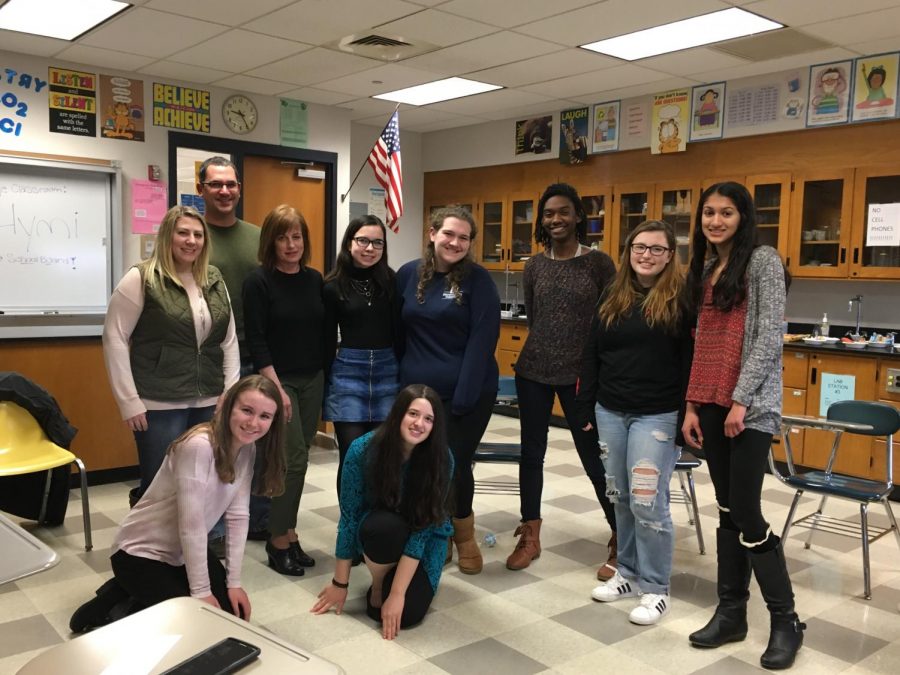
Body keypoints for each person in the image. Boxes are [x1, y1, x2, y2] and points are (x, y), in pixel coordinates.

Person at [681, 182, 804, 669]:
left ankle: (786, 619)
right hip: (709, 402)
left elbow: (771, 334)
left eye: (726, 213)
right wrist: (692, 404)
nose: (715, 221)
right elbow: (702, 341)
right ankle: (731, 613)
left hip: (748, 406)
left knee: (749, 512)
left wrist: (740, 401)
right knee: (728, 509)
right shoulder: (709, 266)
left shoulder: (763, 261)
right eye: (708, 213)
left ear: (743, 216)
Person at [69, 375, 285, 633]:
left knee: (229, 616)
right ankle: (119, 598)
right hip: (140, 553)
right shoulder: (198, 446)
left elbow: (238, 517)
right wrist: (201, 593)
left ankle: (137, 592)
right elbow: (191, 526)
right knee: (197, 624)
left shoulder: (247, 449)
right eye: (246, 410)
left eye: (265, 416)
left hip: (182, 551)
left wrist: (234, 583)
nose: (253, 423)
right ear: (228, 407)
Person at [576, 220, 693, 626]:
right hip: (610, 409)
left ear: (669, 255)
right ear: (628, 251)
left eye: (657, 249)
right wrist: (585, 403)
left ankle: (656, 589)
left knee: (648, 500)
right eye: (639, 247)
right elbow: (592, 351)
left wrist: (684, 417)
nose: (646, 255)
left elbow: (688, 363)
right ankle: (626, 572)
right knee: (620, 495)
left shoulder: (681, 298)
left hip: (656, 414)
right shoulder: (613, 294)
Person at [507, 183, 617, 575]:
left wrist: (596, 372)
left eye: (563, 212)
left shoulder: (599, 264)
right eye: (549, 213)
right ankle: (530, 534)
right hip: (533, 370)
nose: (556, 219)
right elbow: (536, 319)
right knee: (530, 453)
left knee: (593, 457)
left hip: (579, 376)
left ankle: (620, 535)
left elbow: (611, 321)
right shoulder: (534, 265)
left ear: (577, 217)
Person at [102, 205, 239, 505]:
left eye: (198, 235)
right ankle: (150, 549)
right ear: (168, 236)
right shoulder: (141, 278)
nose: (191, 240)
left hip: (209, 399)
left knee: (204, 478)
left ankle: (198, 546)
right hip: (159, 400)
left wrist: (229, 392)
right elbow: (115, 338)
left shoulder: (214, 279)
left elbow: (228, 341)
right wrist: (128, 401)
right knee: (159, 484)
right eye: (183, 233)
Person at [396, 206, 500, 575]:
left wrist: (464, 399)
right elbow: (399, 333)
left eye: (464, 237)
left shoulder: (478, 280)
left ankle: (464, 535)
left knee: (453, 465)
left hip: (465, 394)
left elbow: (482, 341)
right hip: (417, 395)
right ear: (432, 233)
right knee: (419, 465)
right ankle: (435, 535)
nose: (455, 242)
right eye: (449, 234)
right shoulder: (408, 275)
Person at [310, 385, 453, 640]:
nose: (419, 423)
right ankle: (379, 583)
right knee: (383, 528)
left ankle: (391, 584)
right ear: (398, 414)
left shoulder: (442, 460)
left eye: (428, 419)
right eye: (413, 414)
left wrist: (397, 594)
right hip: (381, 529)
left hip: (426, 539)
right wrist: (339, 583)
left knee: (406, 615)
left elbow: (423, 531)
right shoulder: (363, 450)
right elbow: (349, 519)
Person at [243, 205, 324, 576]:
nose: (291, 244)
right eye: (282, 236)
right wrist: (278, 389)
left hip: (313, 378)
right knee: (289, 460)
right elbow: (257, 341)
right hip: (280, 381)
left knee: (301, 456)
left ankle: (290, 532)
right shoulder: (258, 282)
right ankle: (277, 540)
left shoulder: (314, 280)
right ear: (270, 241)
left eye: (297, 236)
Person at [197, 155, 269, 543]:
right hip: (212, 356)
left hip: (257, 352)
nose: (225, 191)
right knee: (218, 439)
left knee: (258, 435)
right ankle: (213, 525)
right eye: (216, 185)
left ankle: (257, 519)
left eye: (231, 184)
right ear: (201, 190)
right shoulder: (192, 235)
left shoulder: (258, 236)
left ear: (239, 189)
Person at [323, 215, 401, 497]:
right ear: (349, 243)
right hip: (348, 373)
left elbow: (399, 332)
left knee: (381, 455)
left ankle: (375, 524)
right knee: (352, 454)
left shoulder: (392, 282)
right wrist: (325, 385)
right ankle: (350, 525)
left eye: (377, 243)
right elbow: (326, 340)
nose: (370, 248)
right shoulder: (332, 286)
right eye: (363, 241)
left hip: (387, 371)